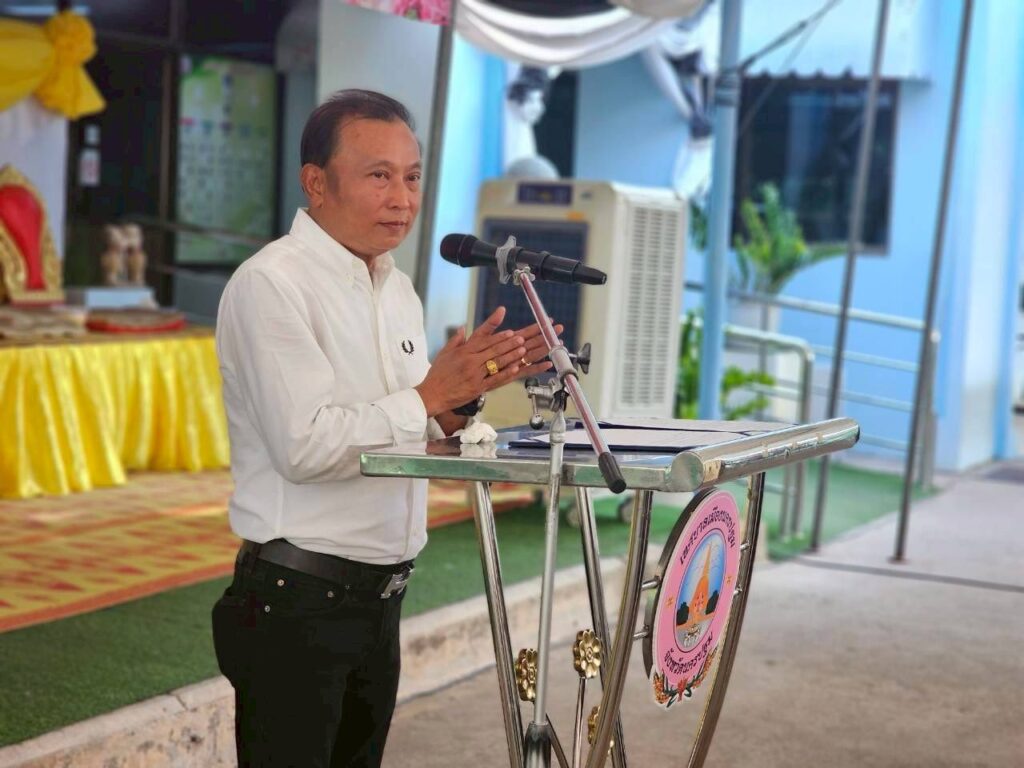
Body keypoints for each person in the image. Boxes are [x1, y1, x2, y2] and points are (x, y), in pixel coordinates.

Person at [212, 89, 560, 767]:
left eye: (412, 176)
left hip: (381, 599)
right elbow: (305, 446)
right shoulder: (272, 285)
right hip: (297, 601)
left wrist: (462, 398)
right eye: (379, 176)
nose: (402, 198)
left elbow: (402, 423)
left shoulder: (395, 287)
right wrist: (429, 393)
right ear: (316, 183)